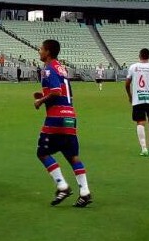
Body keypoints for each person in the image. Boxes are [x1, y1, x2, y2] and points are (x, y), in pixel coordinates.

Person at [33, 39, 92, 208]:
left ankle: (62, 186)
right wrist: (43, 95)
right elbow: (62, 90)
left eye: (41, 49)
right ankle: (85, 192)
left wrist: (40, 101)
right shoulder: (61, 68)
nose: (39, 51)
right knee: (71, 156)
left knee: (42, 153)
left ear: (48, 52)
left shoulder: (48, 69)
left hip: (56, 117)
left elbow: (56, 91)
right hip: (70, 116)